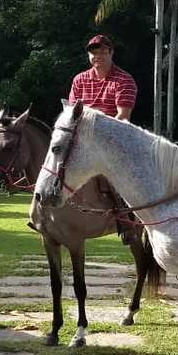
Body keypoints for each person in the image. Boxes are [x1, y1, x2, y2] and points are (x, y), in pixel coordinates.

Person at [69, 34, 138, 242]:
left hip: (114, 137)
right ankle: (48, 213)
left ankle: (126, 221)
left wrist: (95, 133)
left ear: (111, 53)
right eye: (93, 52)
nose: (97, 56)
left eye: (102, 52)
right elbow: (73, 114)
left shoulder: (124, 80)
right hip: (83, 138)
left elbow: (122, 118)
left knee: (114, 173)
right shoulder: (79, 80)